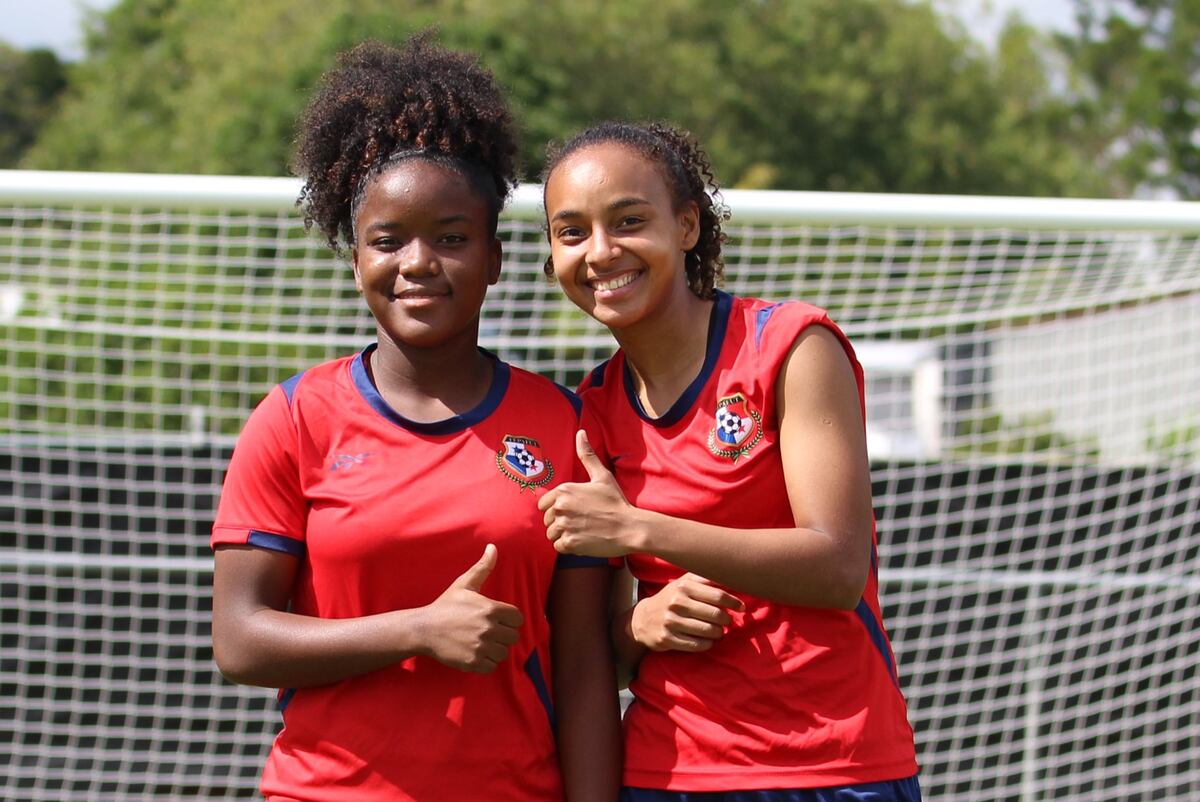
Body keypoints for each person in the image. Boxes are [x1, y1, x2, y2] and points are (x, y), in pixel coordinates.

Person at [209, 37, 620, 802]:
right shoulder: (294, 419)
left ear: (495, 258)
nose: (418, 262)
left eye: (451, 238)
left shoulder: (565, 425)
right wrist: (417, 630)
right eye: (388, 240)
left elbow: (585, 666)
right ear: (355, 256)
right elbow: (239, 639)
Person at [537, 121, 921, 802]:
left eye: (629, 220)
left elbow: (837, 566)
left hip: (834, 768)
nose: (600, 252)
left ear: (687, 226)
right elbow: (596, 652)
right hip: (666, 773)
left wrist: (642, 530)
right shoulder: (588, 408)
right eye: (571, 232)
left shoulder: (789, 347)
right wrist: (638, 626)